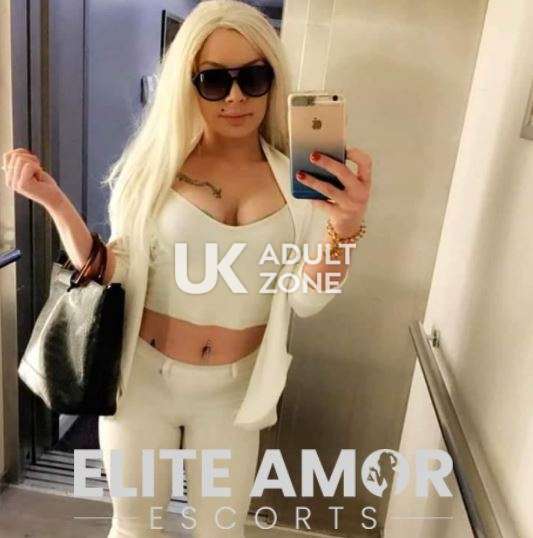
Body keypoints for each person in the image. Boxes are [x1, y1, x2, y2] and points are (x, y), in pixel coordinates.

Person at [2, 1, 371, 536]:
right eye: (214, 80)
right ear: (188, 85)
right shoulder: (155, 169)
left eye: (253, 77)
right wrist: (55, 202)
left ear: (273, 80)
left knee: (221, 530)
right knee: (135, 527)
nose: (236, 96)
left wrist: (345, 225)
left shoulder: (302, 189)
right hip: (143, 382)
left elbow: (308, 299)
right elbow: (111, 271)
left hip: (235, 395)